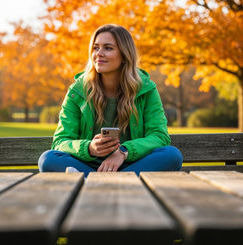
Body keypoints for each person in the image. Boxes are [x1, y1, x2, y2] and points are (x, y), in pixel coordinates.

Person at [38, 24, 182, 176]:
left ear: (125, 55)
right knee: (47, 159)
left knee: (172, 155)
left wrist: (123, 152)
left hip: (132, 162)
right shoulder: (77, 91)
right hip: (89, 163)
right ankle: (124, 180)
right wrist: (89, 148)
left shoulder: (146, 90)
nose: (99, 53)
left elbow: (159, 137)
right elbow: (60, 141)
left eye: (108, 48)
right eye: (95, 48)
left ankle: (92, 181)